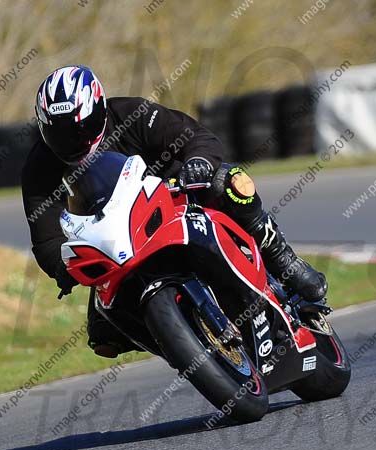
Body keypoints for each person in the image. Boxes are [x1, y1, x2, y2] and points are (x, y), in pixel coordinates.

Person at [21, 65, 327, 358]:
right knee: (104, 333)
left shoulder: (132, 114)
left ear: (99, 111)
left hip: (176, 200)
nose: (72, 140)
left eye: (80, 128)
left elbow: (197, 137)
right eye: (59, 133)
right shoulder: (39, 169)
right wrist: (64, 266)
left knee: (230, 182)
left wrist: (198, 164)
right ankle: (187, 348)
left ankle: (283, 259)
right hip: (117, 242)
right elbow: (46, 238)